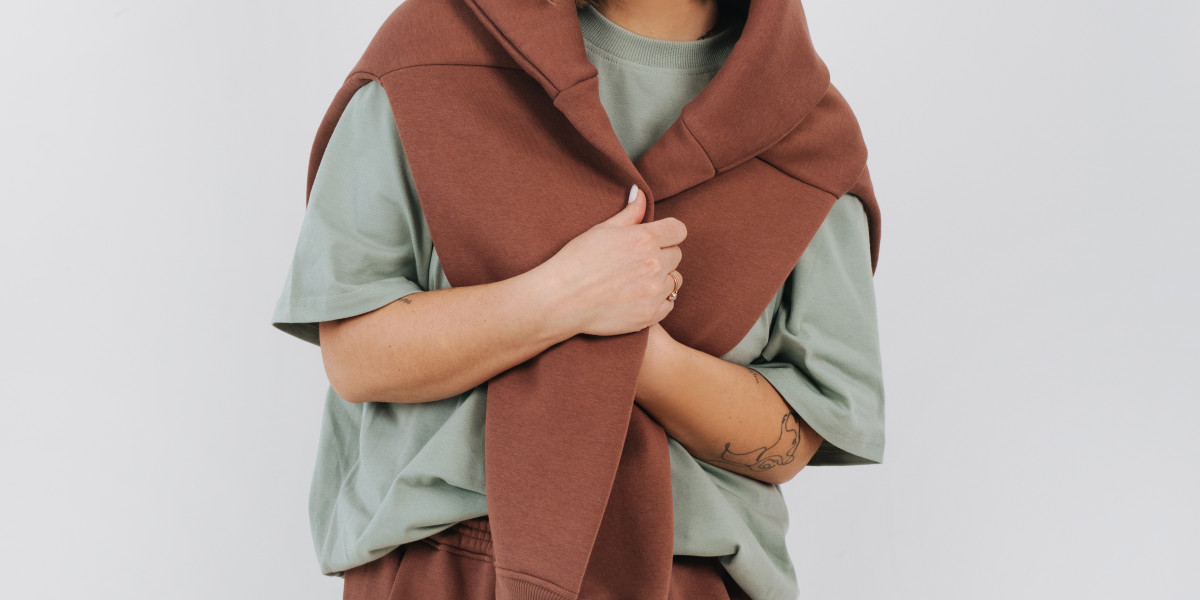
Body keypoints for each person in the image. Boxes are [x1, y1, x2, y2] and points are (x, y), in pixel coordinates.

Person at [270, 0, 885, 597]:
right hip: (441, 560)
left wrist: (643, 351)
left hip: (687, 570)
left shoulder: (810, 135)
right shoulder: (434, 50)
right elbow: (355, 354)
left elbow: (794, 436)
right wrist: (561, 297)